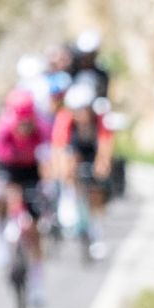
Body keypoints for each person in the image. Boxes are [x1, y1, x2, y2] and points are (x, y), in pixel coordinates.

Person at [0, 89, 51, 304]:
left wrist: (48, 186)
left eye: (27, 123)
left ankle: (38, 281)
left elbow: (46, 163)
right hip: (9, 169)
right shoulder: (2, 129)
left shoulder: (41, 129)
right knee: (0, 199)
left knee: (33, 231)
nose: (24, 127)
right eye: (20, 123)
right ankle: (0, 236)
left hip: (32, 171)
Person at [51, 82, 115, 259]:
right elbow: (60, 148)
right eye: (78, 110)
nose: (82, 115)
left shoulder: (100, 119)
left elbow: (105, 145)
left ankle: (97, 233)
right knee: (68, 167)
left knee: (97, 191)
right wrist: (63, 172)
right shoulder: (65, 119)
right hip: (74, 152)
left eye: (85, 110)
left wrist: (103, 165)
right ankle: (69, 202)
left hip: (92, 152)